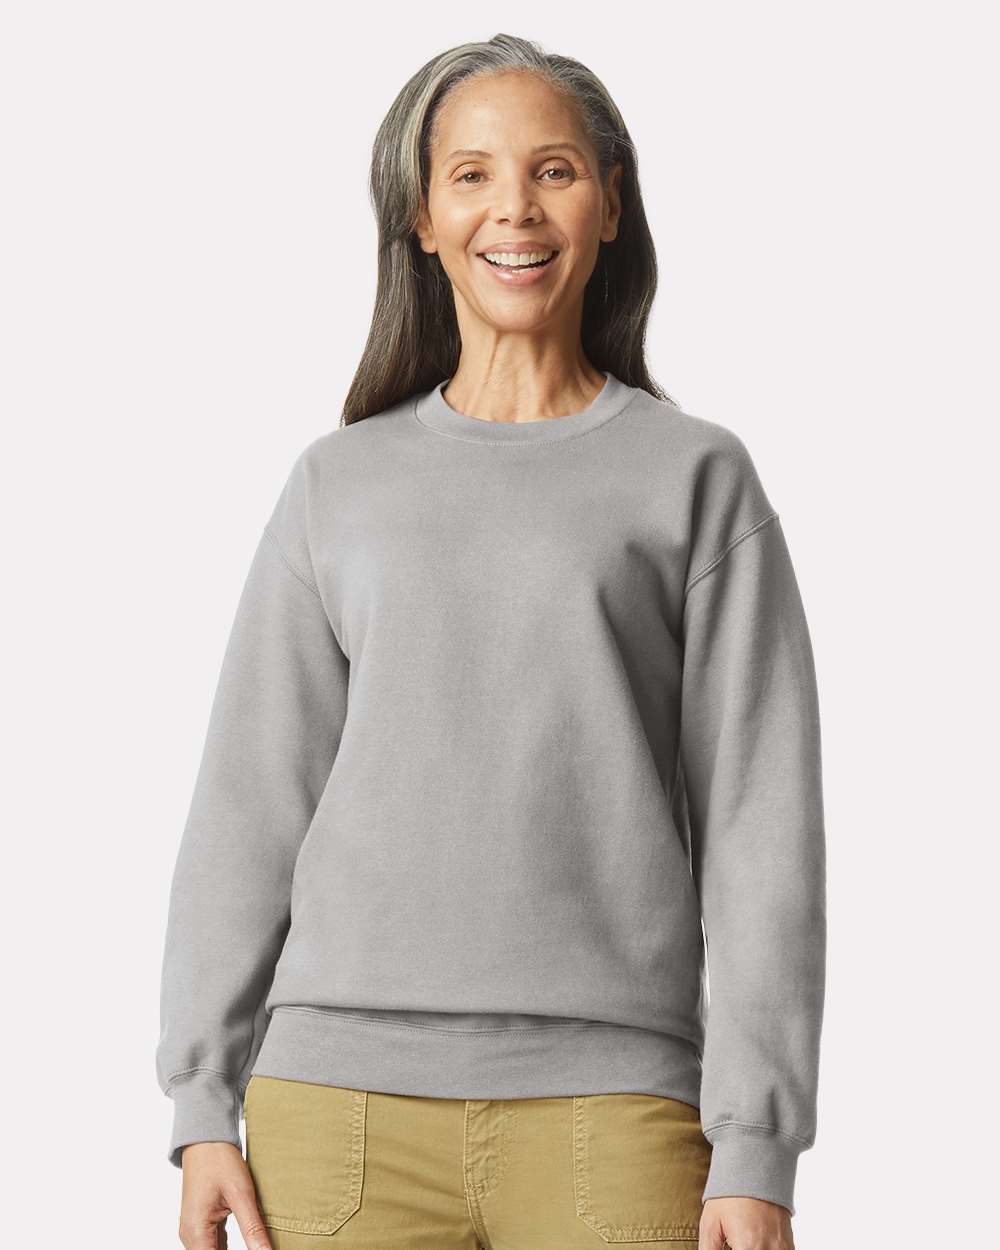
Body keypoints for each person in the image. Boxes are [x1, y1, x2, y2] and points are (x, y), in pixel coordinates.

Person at [156, 32, 826, 1250]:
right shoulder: (337, 483)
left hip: (615, 1109)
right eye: (470, 175)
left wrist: (756, 1143)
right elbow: (249, 806)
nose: (513, 208)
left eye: (553, 170)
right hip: (337, 1110)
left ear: (609, 203)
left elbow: (759, 827)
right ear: (421, 218)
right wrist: (202, 1101)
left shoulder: (694, 477)